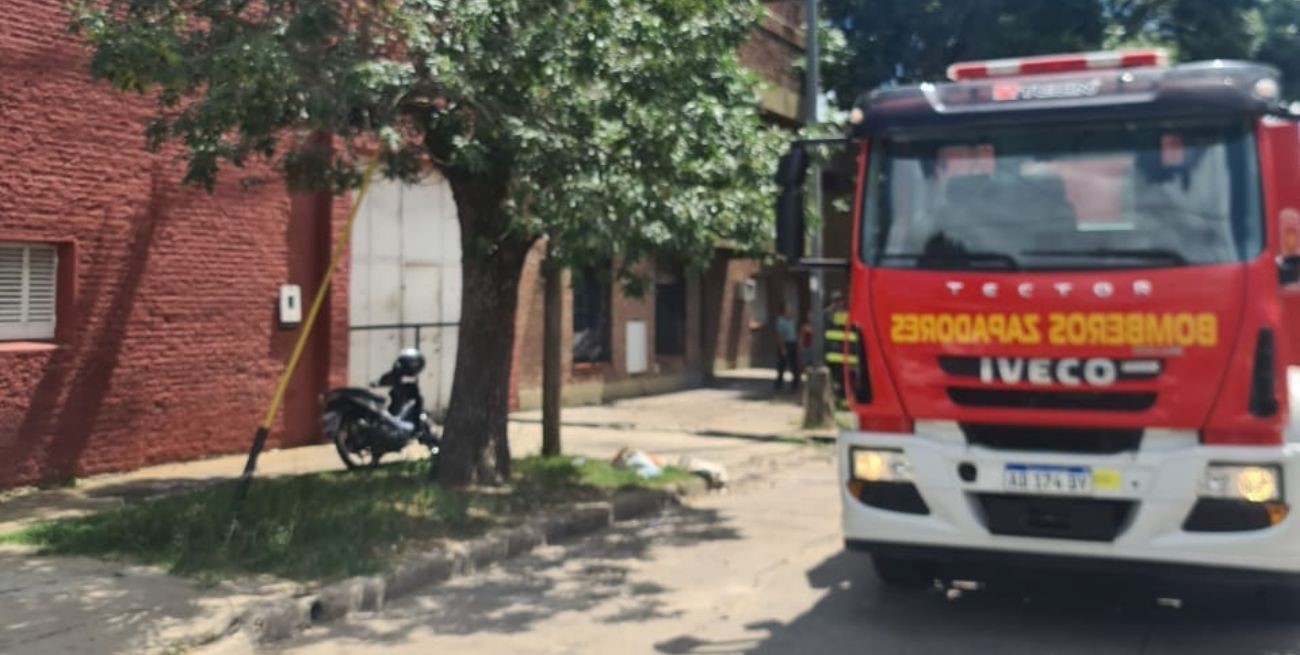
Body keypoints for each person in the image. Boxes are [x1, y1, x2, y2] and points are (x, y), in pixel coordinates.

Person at [774, 305, 800, 391]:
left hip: (793, 344)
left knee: (794, 365)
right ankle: (778, 384)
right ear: (784, 311)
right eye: (788, 310)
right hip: (785, 344)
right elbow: (779, 335)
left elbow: (794, 333)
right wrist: (782, 348)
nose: (790, 311)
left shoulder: (791, 320)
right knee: (782, 365)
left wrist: (797, 344)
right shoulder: (780, 321)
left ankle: (795, 384)